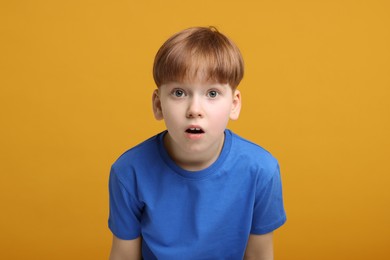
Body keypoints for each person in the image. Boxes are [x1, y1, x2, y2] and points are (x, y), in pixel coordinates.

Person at [108, 26, 286, 260]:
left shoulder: (262, 171)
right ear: (158, 104)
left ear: (234, 104)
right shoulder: (128, 171)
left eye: (212, 94)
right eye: (179, 93)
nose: (194, 110)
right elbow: (124, 256)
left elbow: (259, 256)